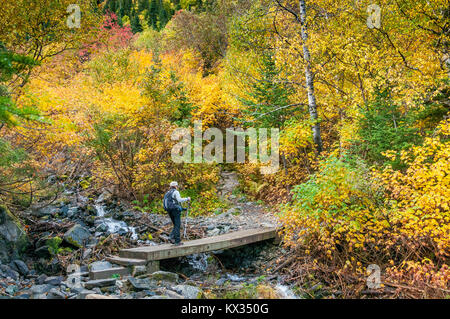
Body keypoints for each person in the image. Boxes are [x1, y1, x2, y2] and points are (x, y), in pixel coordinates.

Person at [163, 181, 191, 246]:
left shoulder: (167, 193)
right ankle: (177, 241)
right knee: (177, 225)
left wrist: (183, 209)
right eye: (177, 186)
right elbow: (179, 200)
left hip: (169, 210)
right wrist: (187, 199)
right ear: (176, 186)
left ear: (170, 186)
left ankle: (172, 237)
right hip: (175, 210)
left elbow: (173, 202)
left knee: (175, 225)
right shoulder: (175, 192)